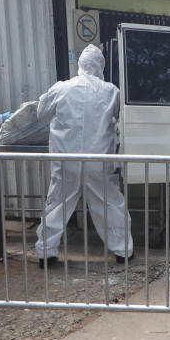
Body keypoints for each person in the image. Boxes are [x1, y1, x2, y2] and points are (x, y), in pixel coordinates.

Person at [35, 45, 132, 267]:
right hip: (98, 161)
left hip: (65, 160)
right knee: (109, 204)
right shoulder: (111, 91)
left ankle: (46, 254)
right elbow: (123, 119)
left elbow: (42, 115)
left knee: (57, 204)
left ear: (80, 65)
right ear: (101, 65)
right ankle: (123, 251)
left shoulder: (61, 88)